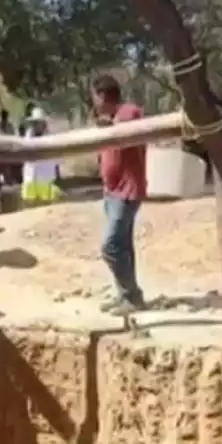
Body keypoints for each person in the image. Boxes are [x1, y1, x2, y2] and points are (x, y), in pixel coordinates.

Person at [91, 74, 148, 314]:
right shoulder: (112, 118)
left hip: (127, 190)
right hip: (113, 191)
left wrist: (110, 128)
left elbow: (129, 131)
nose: (92, 102)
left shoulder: (128, 113)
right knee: (122, 245)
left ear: (103, 95)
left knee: (111, 245)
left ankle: (132, 296)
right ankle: (126, 294)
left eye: (94, 96)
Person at [20, 107, 61, 207]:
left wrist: (56, 174)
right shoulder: (28, 137)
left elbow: (55, 160)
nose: (37, 125)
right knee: (29, 204)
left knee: (45, 205)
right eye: (35, 122)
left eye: (39, 122)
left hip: (45, 177)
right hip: (30, 176)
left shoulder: (50, 138)